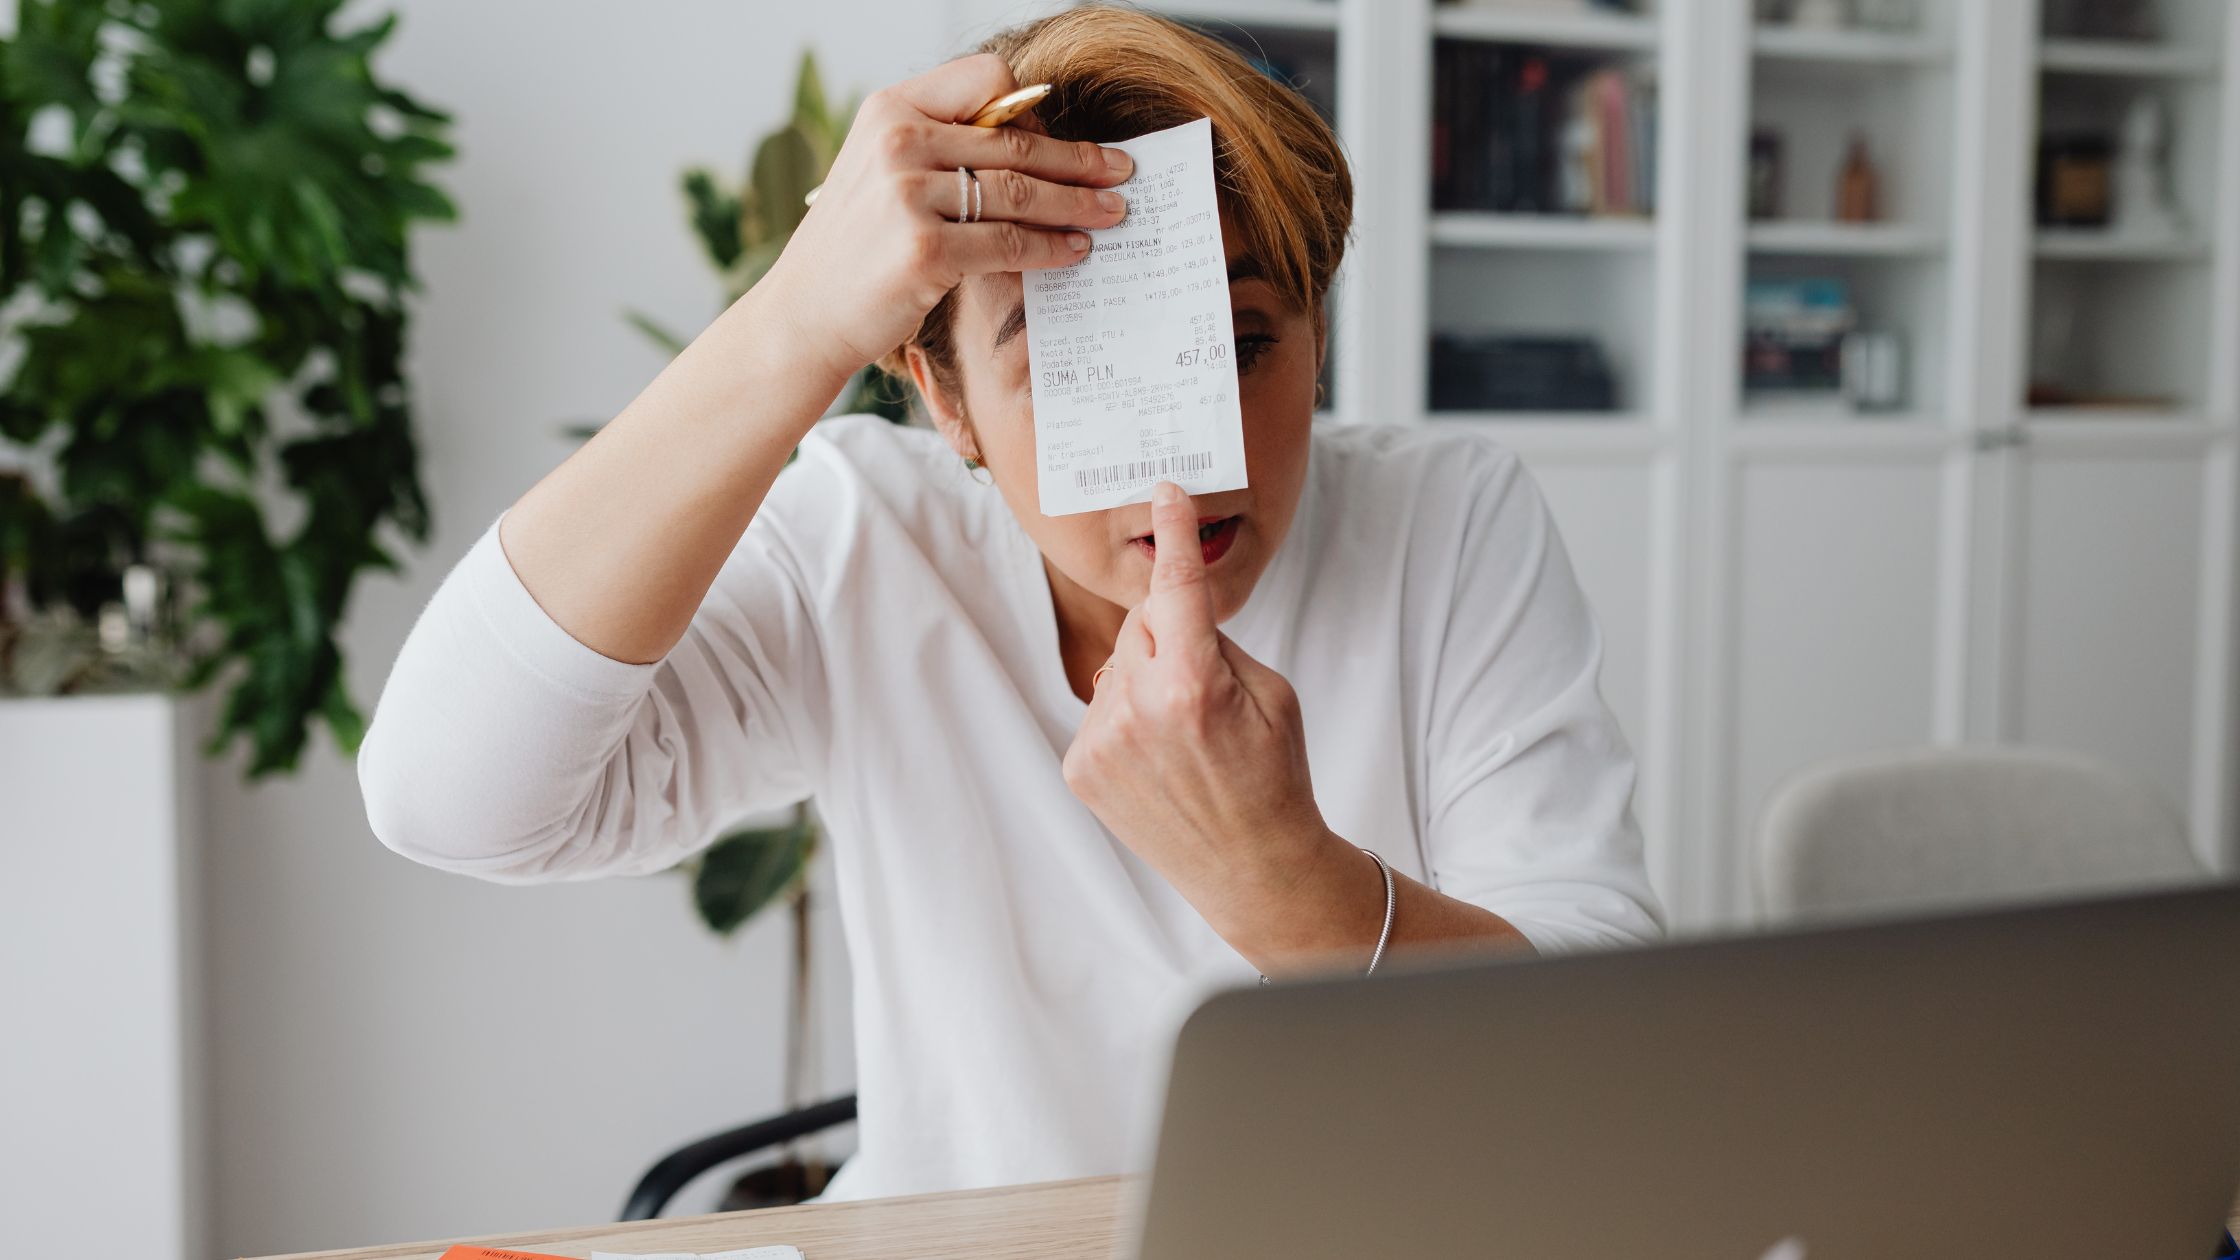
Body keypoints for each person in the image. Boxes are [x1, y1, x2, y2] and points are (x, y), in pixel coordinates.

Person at [359, 5, 1662, 1201]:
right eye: (1076, 367)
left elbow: (1603, 1067)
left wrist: (1285, 880)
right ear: (945, 404)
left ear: (1320, 334)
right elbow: (449, 799)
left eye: (1248, 343)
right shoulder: (864, 540)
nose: (1187, 460)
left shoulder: (1450, 520)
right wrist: (797, 319)